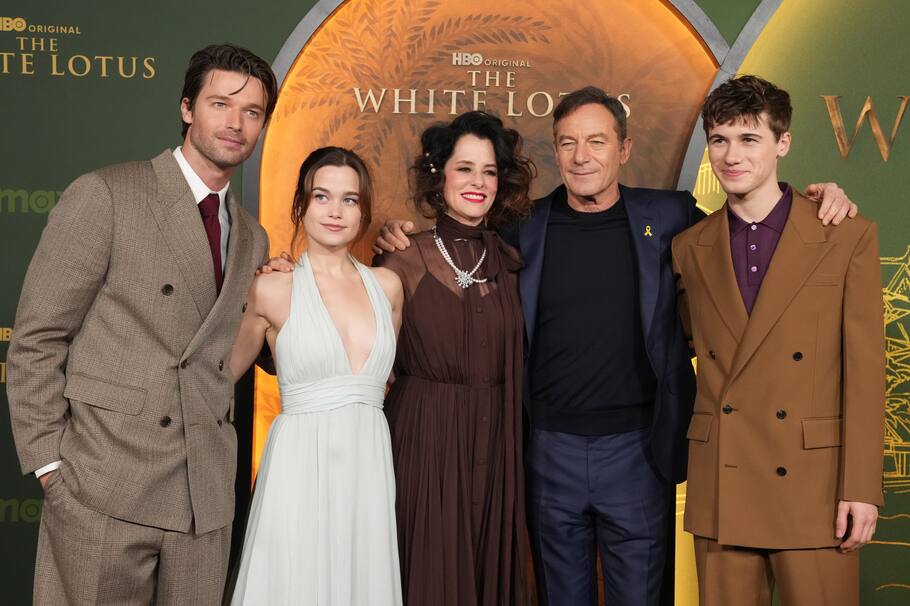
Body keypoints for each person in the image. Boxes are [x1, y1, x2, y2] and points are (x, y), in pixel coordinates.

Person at [374, 87, 858, 605]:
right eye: (568, 143)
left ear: (623, 149)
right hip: (548, 450)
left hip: (638, 450)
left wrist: (814, 203)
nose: (581, 156)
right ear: (555, 150)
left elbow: (748, 229)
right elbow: (453, 246)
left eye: (597, 141)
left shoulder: (671, 216)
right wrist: (393, 235)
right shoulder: (520, 227)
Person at [6, 44, 276, 604]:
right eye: (220, 104)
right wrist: (51, 465)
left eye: (252, 111)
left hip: (204, 499)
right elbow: (37, 338)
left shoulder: (253, 236)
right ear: (187, 108)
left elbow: (223, 353)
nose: (236, 123)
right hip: (104, 484)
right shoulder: (108, 194)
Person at [672, 75, 885, 606]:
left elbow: (865, 374)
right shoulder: (687, 247)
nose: (731, 155)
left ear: (782, 143)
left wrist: (862, 488)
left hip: (815, 487)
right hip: (724, 480)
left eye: (749, 139)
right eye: (719, 139)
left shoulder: (845, 233)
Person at [366, 111, 534, 605]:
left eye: (489, 171)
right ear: (439, 175)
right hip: (425, 440)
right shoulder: (400, 256)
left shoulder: (513, 262)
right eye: (465, 168)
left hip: (498, 442)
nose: (478, 182)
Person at [228, 147, 404, 605]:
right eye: (322, 196)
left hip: (368, 466)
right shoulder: (271, 287)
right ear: (300, 205)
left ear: (364, 211)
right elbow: (218, 377)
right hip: (298, 467)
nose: (335, 211)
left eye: (350, 199)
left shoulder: (388, 288)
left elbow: (384, 382)